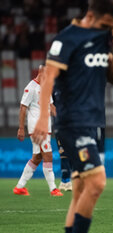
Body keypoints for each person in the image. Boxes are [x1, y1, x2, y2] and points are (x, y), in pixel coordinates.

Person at [31, 0, 113, 232]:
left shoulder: (104, 38)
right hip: (73, 122)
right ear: (91, 16)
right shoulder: (67, 38)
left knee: (81, 189)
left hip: (97, 123)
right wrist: (43, 117)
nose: (107, 29)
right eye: (105, 24)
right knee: (97, 182)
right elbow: (48, 78)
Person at [13, 65, 63, 197]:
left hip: (46, 127)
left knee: (37, 157)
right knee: (48, 155)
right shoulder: (31, 87)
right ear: (40, 72)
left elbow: (51, 105)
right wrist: (21, 128)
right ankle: (53, 189)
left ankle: (19, 187)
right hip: (37, 128)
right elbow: (23, 108)